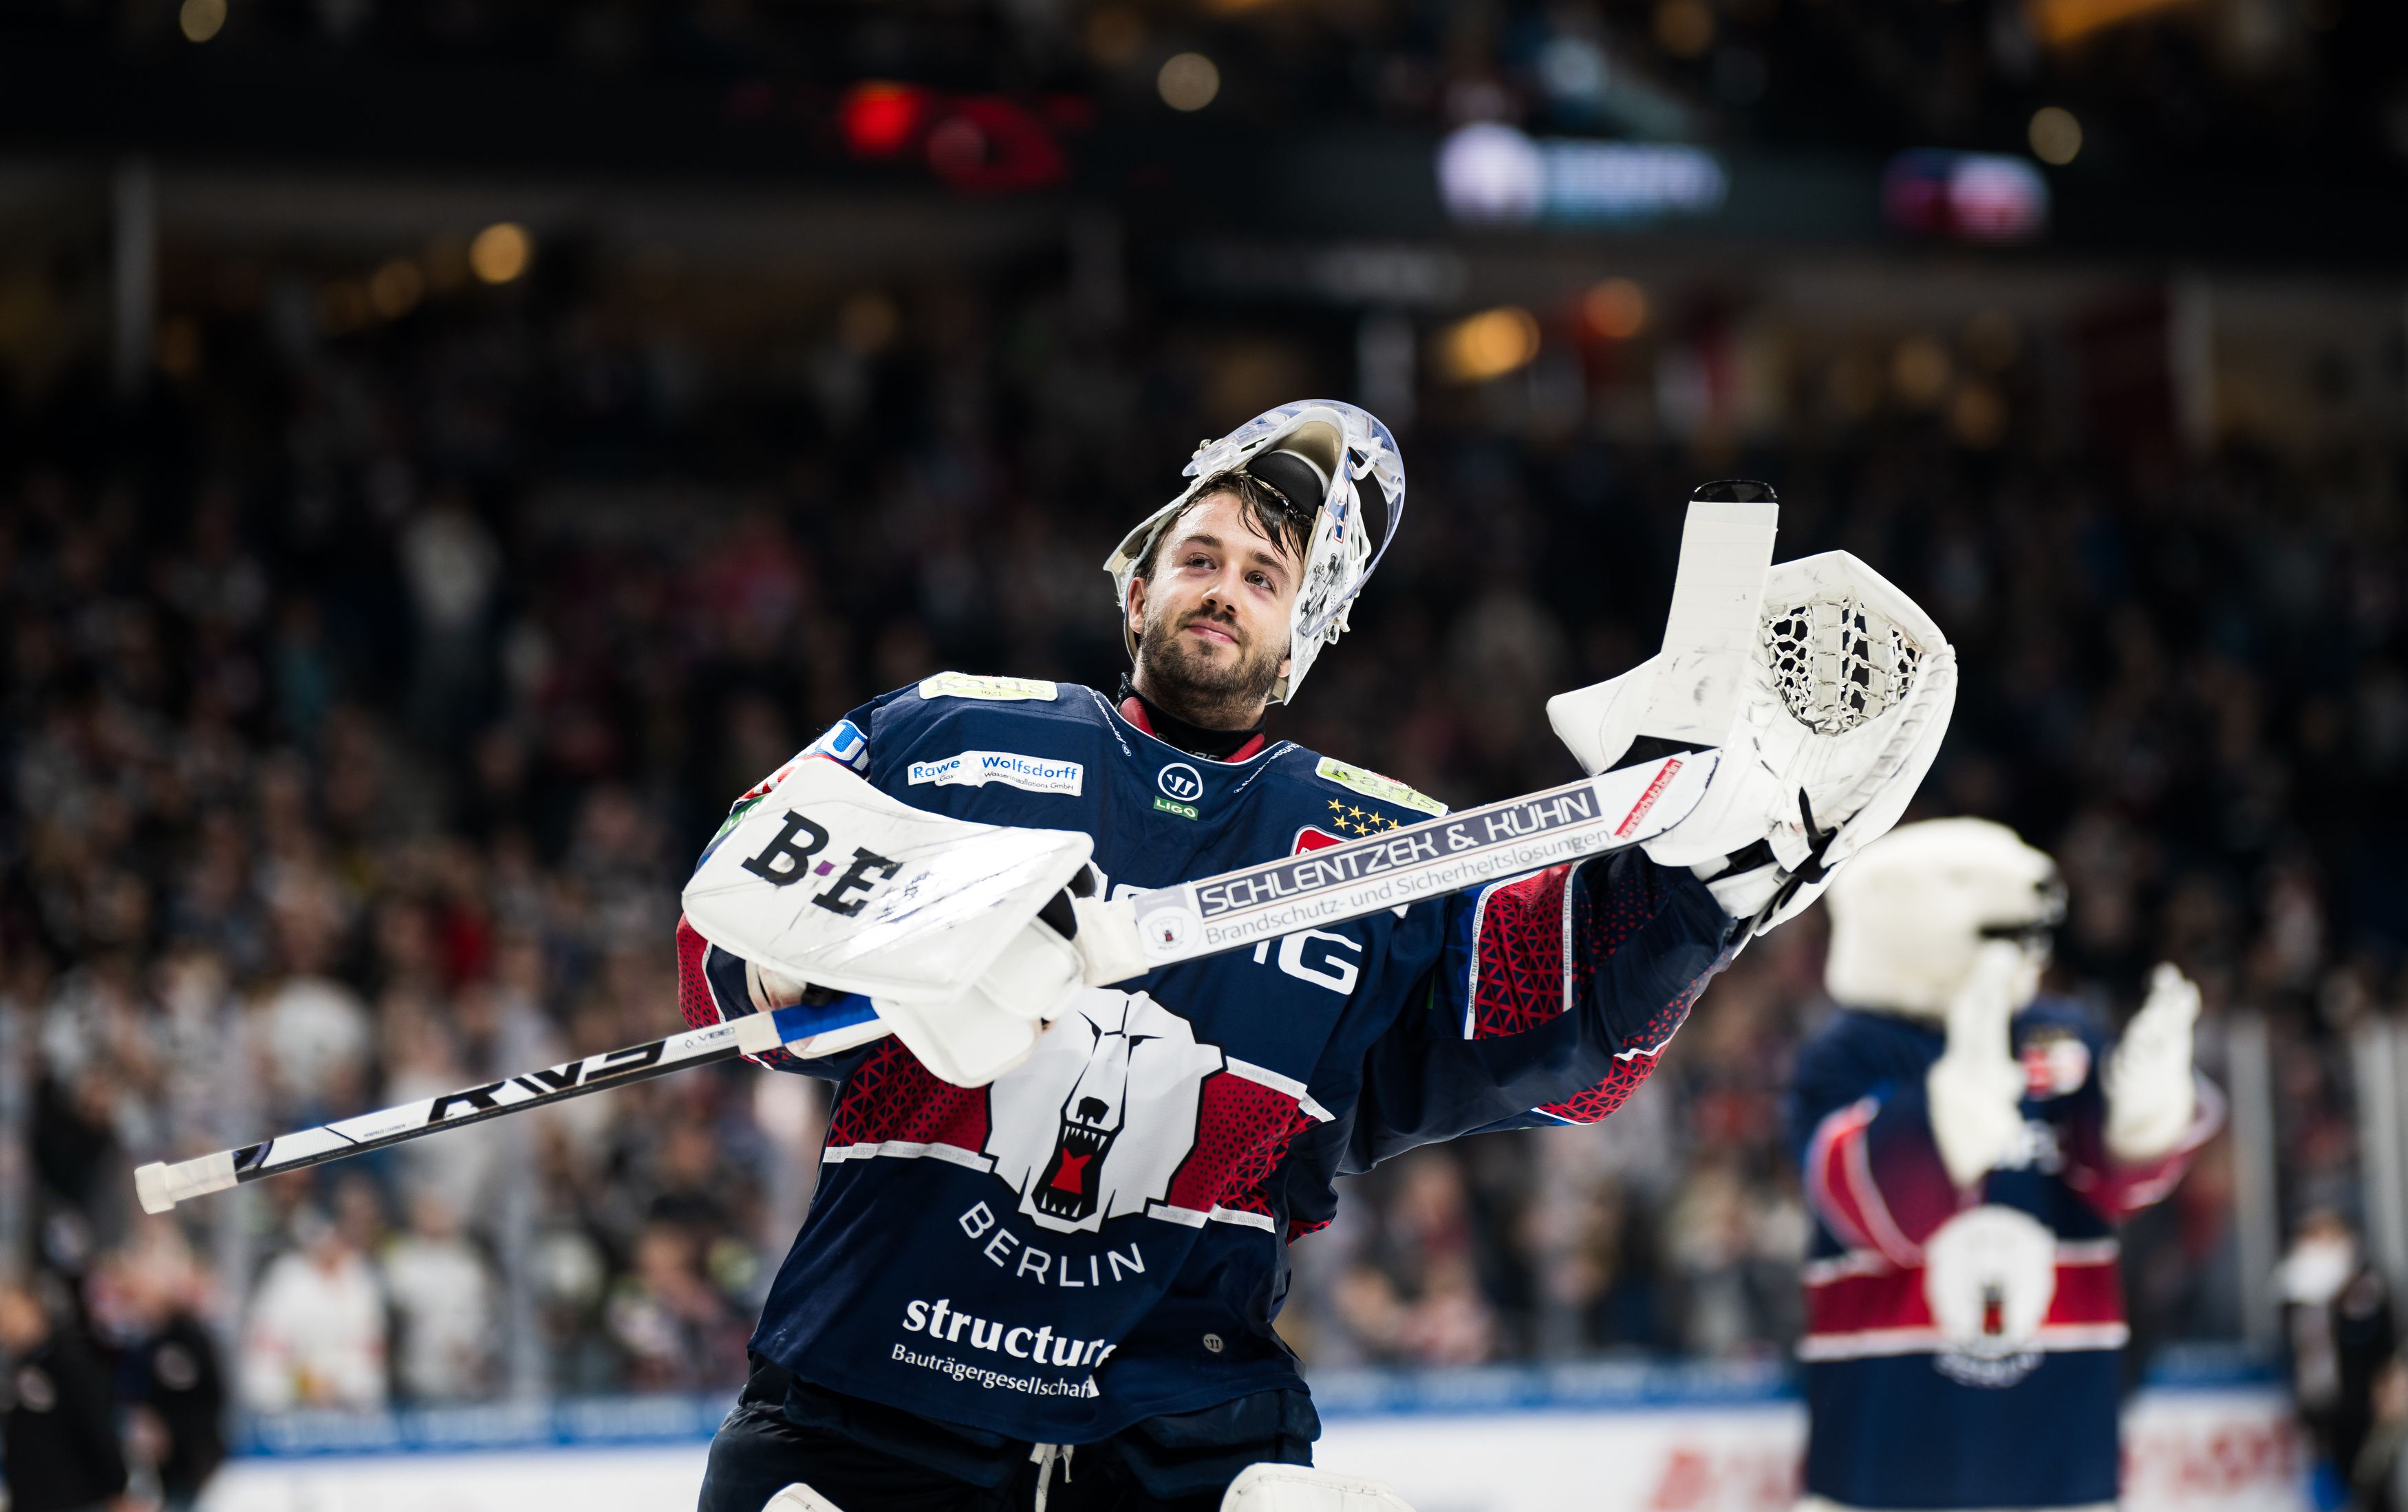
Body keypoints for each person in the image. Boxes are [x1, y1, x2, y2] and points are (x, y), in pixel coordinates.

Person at [681, 402, 1950, 1511]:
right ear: (1137, 590)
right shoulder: (948, 730)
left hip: (1180, 1427)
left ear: (1305, 636)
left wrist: (1690, 890)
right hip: (871, 1390)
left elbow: (1561, 1045)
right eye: (1199, 556)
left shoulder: (1384, 844)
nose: (1224, 586)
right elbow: (727, 918)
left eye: (1265, 575)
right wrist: (864, 948)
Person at [1787, 818, 2222, 1512]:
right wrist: (1958, 1097)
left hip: (2057, 1446)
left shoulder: (2061, 1032)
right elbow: (1873, 1208)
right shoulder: (1848, 1051)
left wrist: (2147, 1104)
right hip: (1885, 1455)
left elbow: (2116, 1180)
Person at [2279, 1209, 2398, 1509]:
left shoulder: (2365, 1287)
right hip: (2318, 1404)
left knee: (2367, 1479)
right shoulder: (2296, 1293)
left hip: (2359, 1405)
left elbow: (2377, 1340)